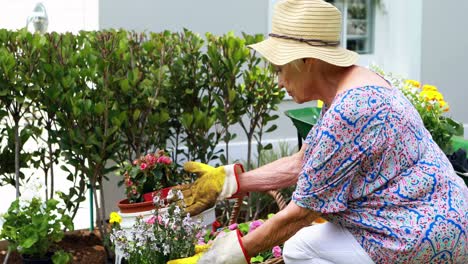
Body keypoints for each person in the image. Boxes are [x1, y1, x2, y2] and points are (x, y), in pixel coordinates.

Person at [173, 0, 468, 263]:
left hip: (418, 236)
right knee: (299, 248)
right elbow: (302, 163)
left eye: (279, 69)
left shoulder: (349, 112)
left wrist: (219, 258)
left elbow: (300, 213)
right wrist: (227, 182)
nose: (278, 82)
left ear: (307, 61)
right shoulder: (357, 83)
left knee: (301, 248)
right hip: (444, 218)